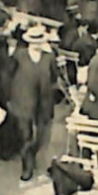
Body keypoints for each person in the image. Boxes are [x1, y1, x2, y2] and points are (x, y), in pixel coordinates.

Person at [4, 23, 58, 182]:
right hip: (23, 100)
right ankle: (27, 165)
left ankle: (33, 154)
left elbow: (54, 78)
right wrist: (10, 96)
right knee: (25, 134)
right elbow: (8, 75)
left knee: (41, 136)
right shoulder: (19, 56)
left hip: (44, 102)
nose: (37, 45)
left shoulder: (49, 58)